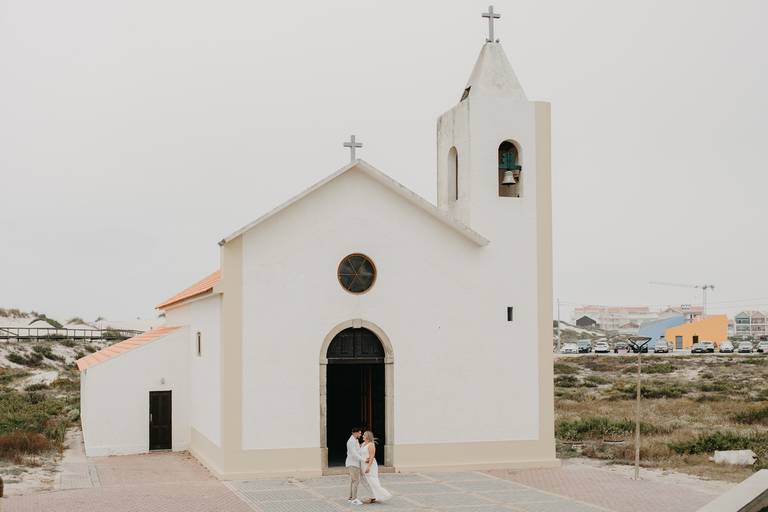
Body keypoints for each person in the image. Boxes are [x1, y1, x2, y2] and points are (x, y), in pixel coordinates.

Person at [358, 430, 392, 504]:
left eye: (364, 435)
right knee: (365, 481)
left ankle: (384, 495)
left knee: (373, 481)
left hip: (370, 465)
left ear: (367, 436)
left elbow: (372, 456)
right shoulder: (363, 444)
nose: (363, 436)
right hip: (363, 464)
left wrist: (368, 467)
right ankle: (372, 496)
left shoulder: (371, 445)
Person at [346, 427, 364, 505]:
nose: (361, 434)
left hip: (355, 463)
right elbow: (354, 454)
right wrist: (363, 459)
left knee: (353, 481)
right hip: (353, 463)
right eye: (359, 433)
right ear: (355, 433)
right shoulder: (351, 441)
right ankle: (354, 499)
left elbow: (358, 450)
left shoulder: (355, 440)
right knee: (356, 481)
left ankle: (351, 498)